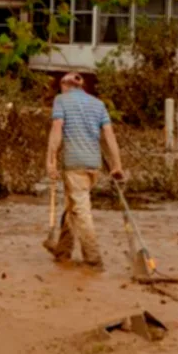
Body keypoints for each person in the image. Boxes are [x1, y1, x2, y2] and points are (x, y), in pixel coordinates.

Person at [45, 72, 124, 269]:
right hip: (93, 165)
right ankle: (63, 252)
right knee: (73, 206)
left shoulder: (61, 100)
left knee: (81, 210)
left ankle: (93, 258)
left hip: (75, 164)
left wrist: (50, 161)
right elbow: (109, 135)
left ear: (65, 85)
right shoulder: (98, 104)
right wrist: (117, 165)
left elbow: (57, 130)